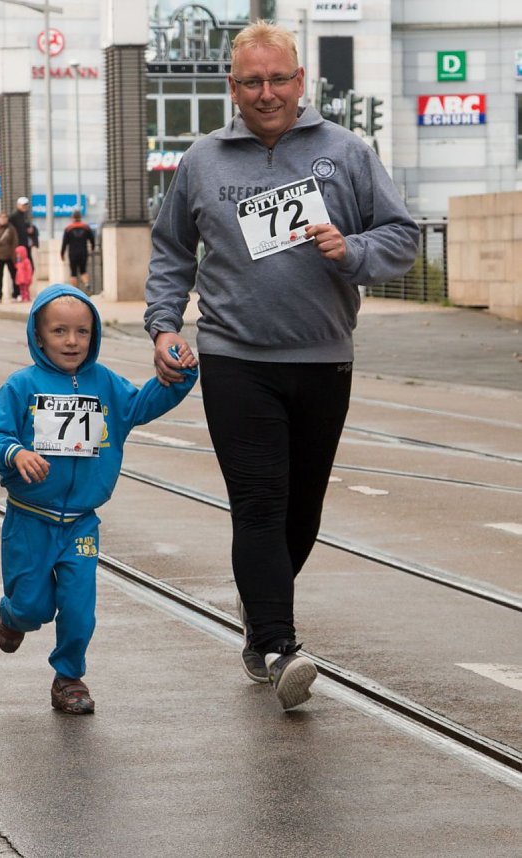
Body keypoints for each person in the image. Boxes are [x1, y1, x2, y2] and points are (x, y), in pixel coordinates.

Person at [144, 21, 419, 711]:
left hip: (322, 356)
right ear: (230, 88)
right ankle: (275, 645)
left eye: (278, 79)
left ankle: (258, 604)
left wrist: (350, 249)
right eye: (250, 82)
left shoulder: (346, 153)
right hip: (235, 358)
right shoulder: (202, 161)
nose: (266, 93)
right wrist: (164, 324)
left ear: (301, 81)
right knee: (259, 501)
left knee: (300, 512)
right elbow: (172, 250)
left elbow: (401, 238)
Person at [0, 284, 198, 715]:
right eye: (59, 331)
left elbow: (144, 404)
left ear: (94, 334)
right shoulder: (21, 386)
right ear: (38, 336)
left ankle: (69, 678)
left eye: (82, 331)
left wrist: (181, 374)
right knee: (32, 607)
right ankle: (12, 617)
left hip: (81, 523)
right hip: (29, 520)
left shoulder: (106, 384)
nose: (72, 341)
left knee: (79, 608)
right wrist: (15, 453)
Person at [60, 210, 96, 292]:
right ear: (80, 217)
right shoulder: (86, 228)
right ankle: (87, 285)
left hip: (72, 253)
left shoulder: (68, 229)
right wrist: (93, 248)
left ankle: (75, 290)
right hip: (83, 252)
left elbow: (64, 243)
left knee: (73, 273)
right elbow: (92, 240)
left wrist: (61, 254)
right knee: (83, 270)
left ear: (72, 217)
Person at [0, 211, 17, 303]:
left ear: (7, 219)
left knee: (14, 276)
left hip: (9, 256)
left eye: (4, 217)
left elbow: (15, 242)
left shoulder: (11, 229)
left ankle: (15, 295)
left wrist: (14, 255)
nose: (3, 219)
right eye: (1, 218)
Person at [9, 196, 34, 278]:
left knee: (30, 268)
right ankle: (19, 290)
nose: (24, 207)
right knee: (19, 269)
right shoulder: (14, 217)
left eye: (26, 205)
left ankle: (25, 288)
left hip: (26, 246)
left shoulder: (25, 216)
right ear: (18, 205)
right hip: (18, 246)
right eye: (23, 205)